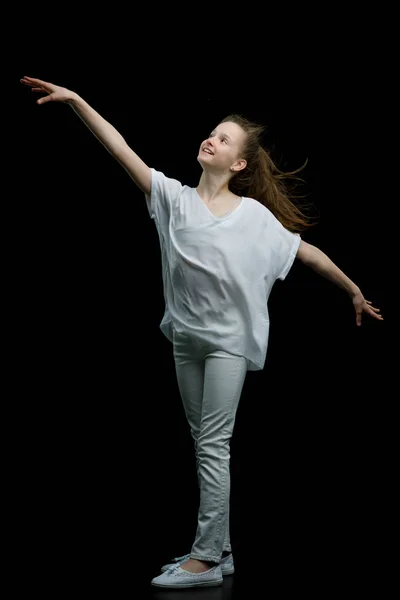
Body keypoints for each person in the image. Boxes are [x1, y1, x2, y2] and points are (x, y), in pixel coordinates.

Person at [20, 76, 384, 589]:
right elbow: (119, 146)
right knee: (203, 443)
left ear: (238, 164)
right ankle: (223, 551)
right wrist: (78, 101)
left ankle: (206, 559)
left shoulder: (253, 216)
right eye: (211, 133)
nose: (211, 139)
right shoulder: (172, 198)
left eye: (224, 139)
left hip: (228, 344)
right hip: (186, 341)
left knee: (214, 445)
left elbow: (306, 253)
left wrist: (351, 288)